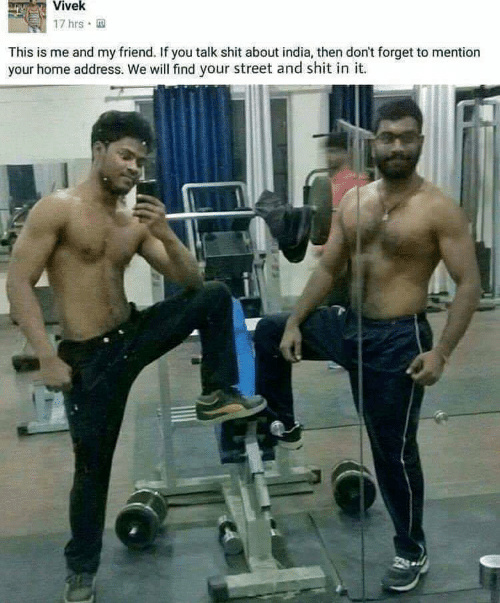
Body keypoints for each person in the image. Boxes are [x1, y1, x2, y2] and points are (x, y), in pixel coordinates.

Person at [6, 110, 265, 603]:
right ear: (98, 150)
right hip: (88, 357)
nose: (133, 168)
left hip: (132, 332)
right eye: (125, 156)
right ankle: (81, 569)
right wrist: (45, 356)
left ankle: (216, 392)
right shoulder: (57, 209)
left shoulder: (133, 222)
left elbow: (190, 280)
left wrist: (165, 232)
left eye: (140, 162)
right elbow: (19, 282)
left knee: (215, 295)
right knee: (92, 470)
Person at [254, 98, 481, 592]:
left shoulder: (438, 208)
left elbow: (469, 285)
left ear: (420, 142)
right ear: (374, 142)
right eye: (388, 137)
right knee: (270, 331)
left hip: (399, 339)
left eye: (406, 137)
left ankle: (411, 549)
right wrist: (296, 322)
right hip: (350, 327)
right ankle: (283, 423)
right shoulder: (355, 201)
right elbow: (329, 268)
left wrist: (441, 352)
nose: (397, 146)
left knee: (391, 451)